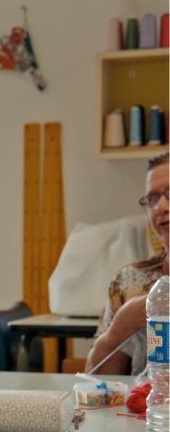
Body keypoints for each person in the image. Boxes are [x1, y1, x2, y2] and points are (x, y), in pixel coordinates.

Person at [86, 152, 169, 375]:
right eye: (152, 198)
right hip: (145, 408)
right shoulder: (129, 282)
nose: (161, 206)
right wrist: (121, 326)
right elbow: (96, 383)